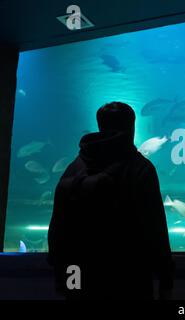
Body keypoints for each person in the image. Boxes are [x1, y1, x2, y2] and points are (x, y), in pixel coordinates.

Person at [47, 102, 174, 299]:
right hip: (127, 276)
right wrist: (166, 279)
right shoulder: (140, 168)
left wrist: (64, 278)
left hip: (79, 273)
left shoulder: (75, 166)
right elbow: (155, 226)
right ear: (132, 127)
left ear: (100, 126)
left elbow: (58, 224)